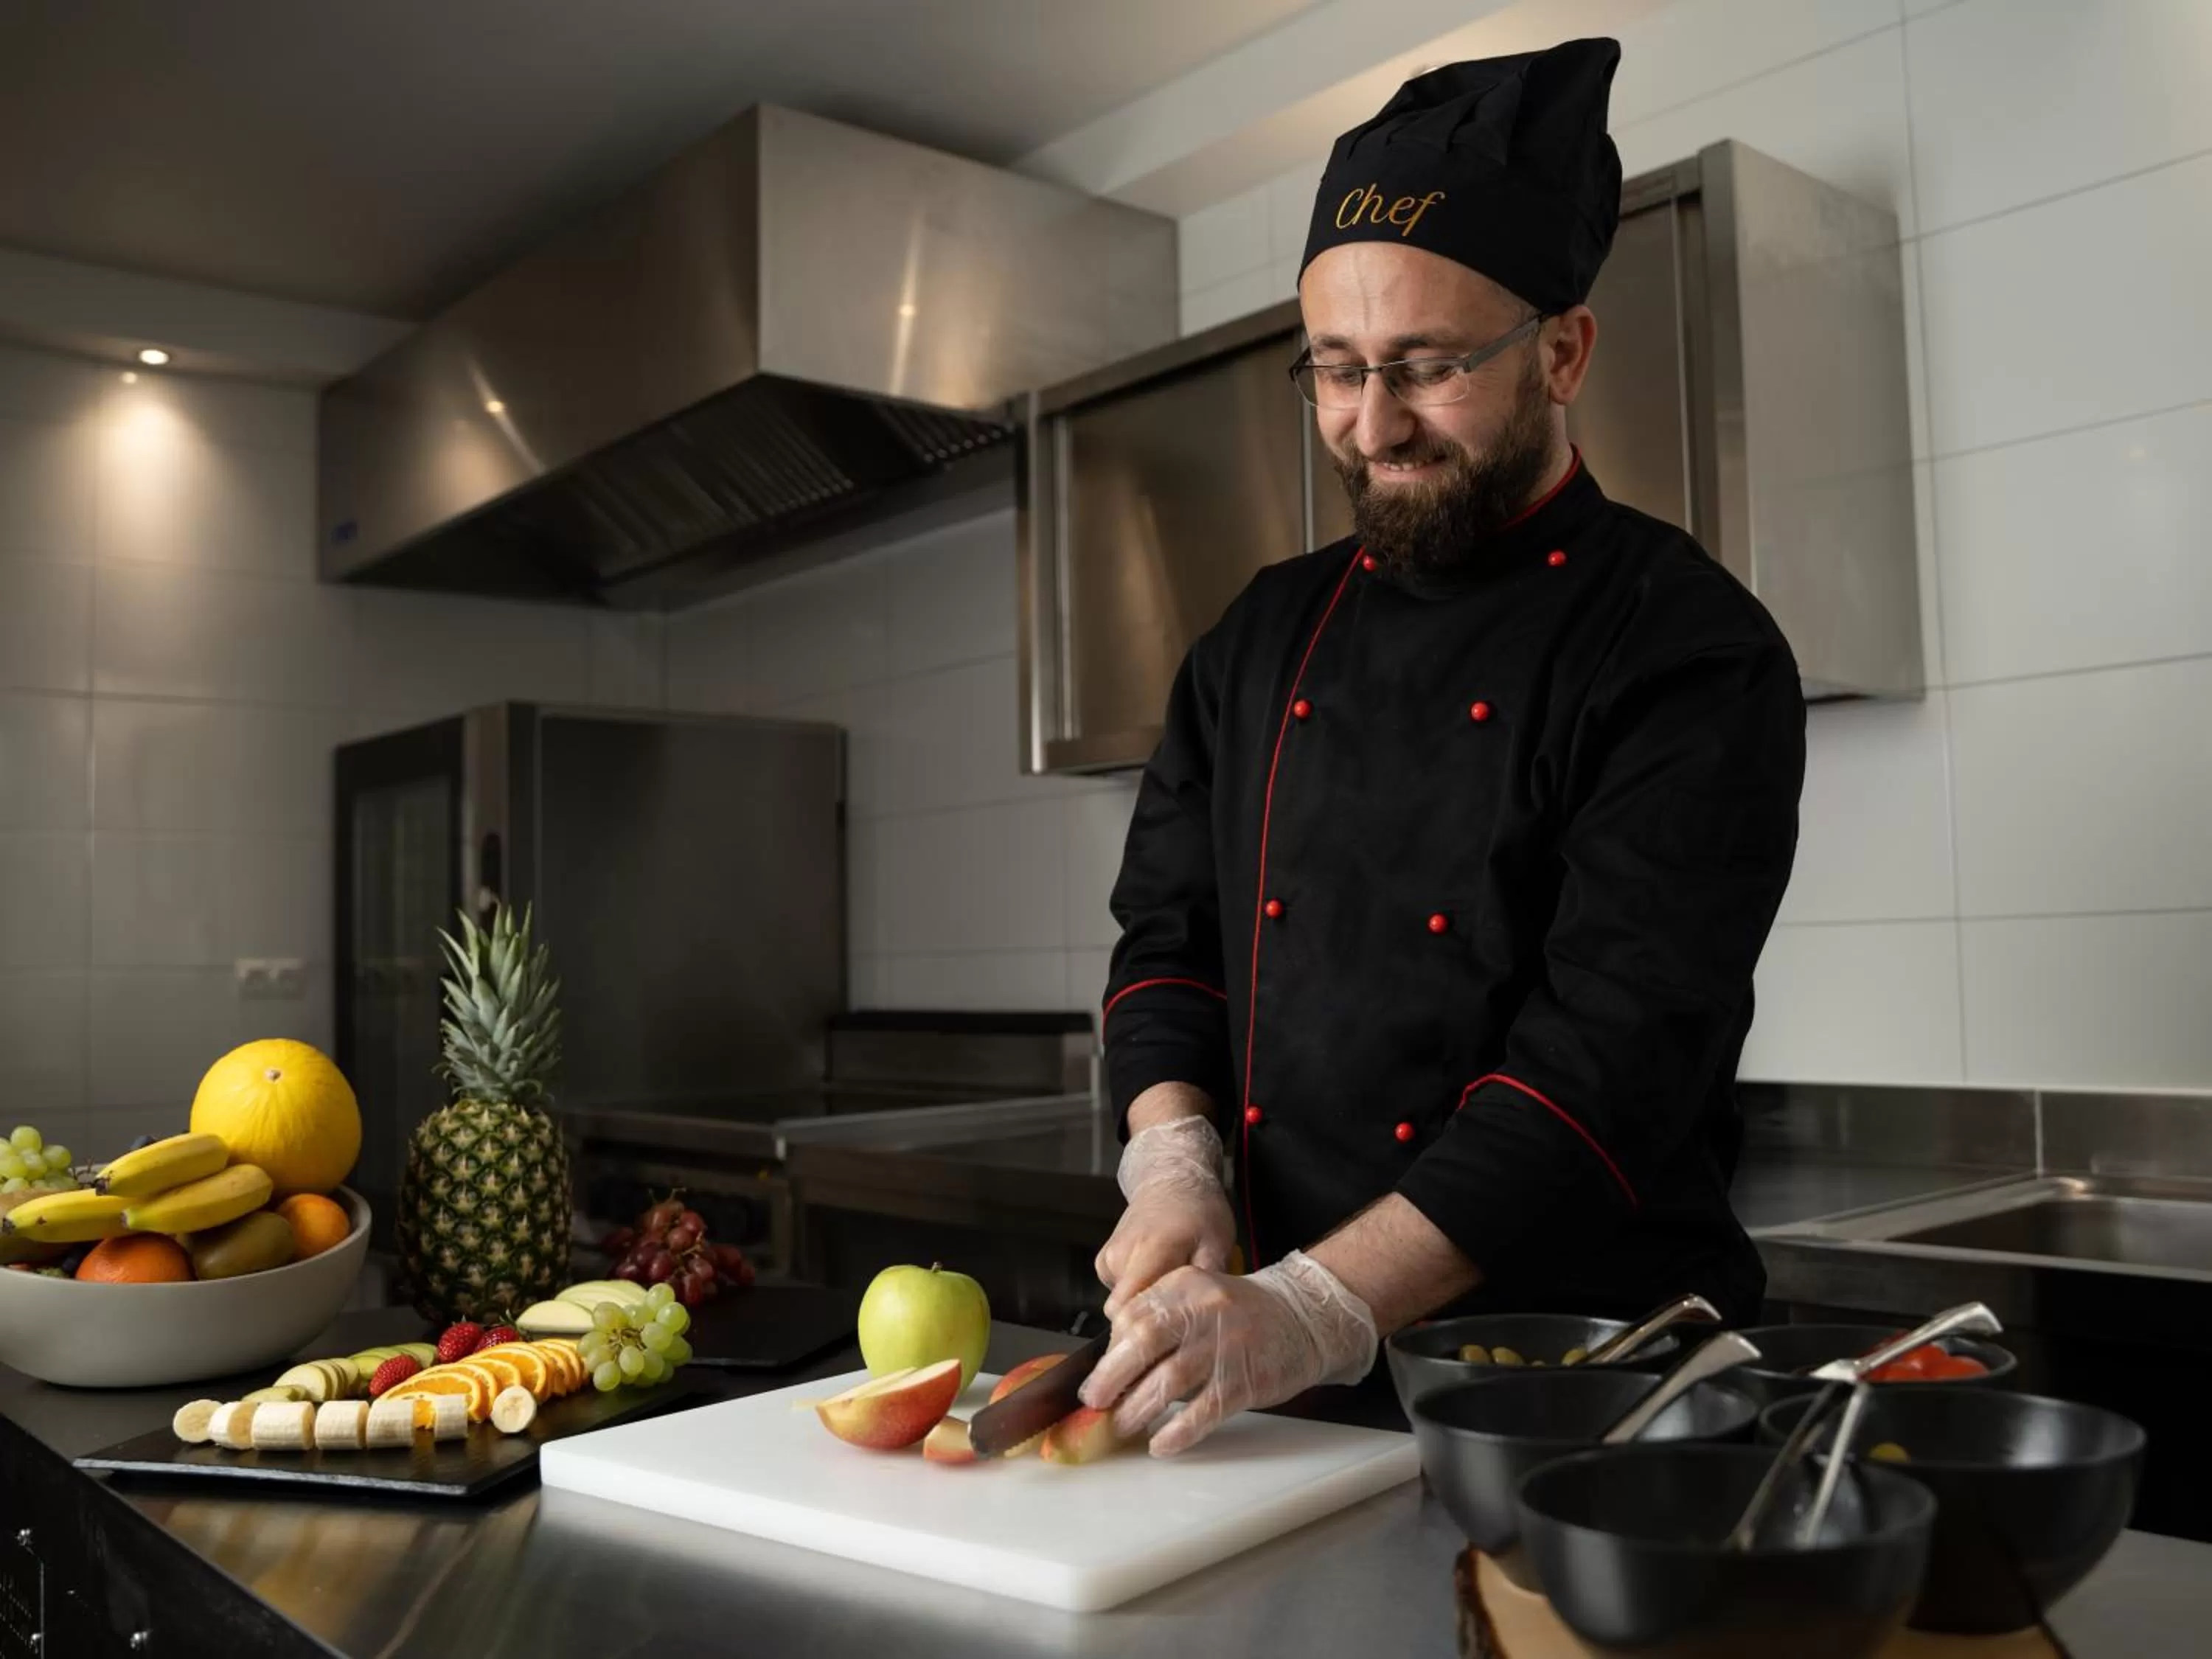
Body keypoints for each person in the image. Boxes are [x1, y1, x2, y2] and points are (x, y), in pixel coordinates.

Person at [1077, 38, 1807, 1457]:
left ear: (1563, 349)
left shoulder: (1686, 647)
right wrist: (1173, 1156)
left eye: (1424, 367)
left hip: (1580, 1396)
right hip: (1272, 1390)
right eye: (1336, 371)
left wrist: (1319, 1301)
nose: (1370, 423)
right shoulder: (1257, 638)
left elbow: (1608, 1062)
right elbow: (1167, 940)